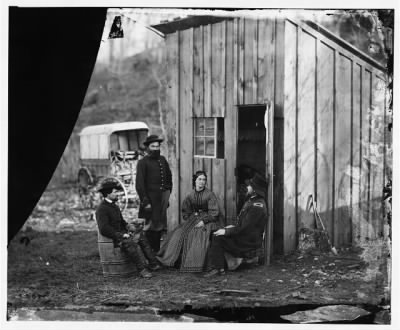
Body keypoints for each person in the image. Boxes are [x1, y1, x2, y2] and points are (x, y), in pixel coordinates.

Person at [203, 173, 268, 277]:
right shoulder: (252, 201)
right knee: (214, 232)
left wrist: (227, 231)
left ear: (255, 189)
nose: (248, 187)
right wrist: (229, 228)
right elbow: (243, 224)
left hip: (248, 242)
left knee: (218, 237)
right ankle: (217, 265)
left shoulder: (257, 205)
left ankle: (218, 269)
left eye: (250, 185)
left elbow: (245, 228)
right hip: (245, 236)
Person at [157, 171, 220, 272]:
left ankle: (193, 263)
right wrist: (190, 217)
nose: (202, 182)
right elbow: (186, 210)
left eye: (204, 180)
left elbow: (214, 213)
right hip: (194, 218)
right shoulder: (190, 195)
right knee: (178, 233)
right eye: (199, 179)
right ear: (195, 181)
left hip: (208, 220)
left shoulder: (210, 195)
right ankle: (171, 260)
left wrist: (204, 221)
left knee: (198, 234)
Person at [95, 181, 161, 279]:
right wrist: (121, 235)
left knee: (141, 236)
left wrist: (129, 227)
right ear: (108, 194)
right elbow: (104, 229)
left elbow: (121, 222)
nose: (117, 194)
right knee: (129, 242)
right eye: (114, 192)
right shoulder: (102, 209)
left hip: (122, 235)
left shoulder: (114, 206)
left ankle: (153, 263)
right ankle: (142, 270)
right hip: (113, 239)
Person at [135, 135, 172, 253]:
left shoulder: (162, 159)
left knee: (159, 225)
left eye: (157, 146)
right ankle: (148, 254)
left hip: (162, 198)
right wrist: (145, 202)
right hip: (150, 199)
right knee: (149, 226)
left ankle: (156, 253)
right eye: (153, 146)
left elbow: (169, 176)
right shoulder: (142, 163)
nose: (155, 148)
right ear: (147, 147)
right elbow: (139, 184)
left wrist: (167, 191)